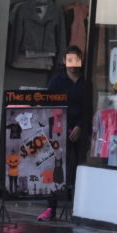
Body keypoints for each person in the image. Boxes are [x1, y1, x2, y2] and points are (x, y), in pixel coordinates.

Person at [40, 45, 91, 220]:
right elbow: (48, 105)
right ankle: (51, 207)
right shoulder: (57, 81)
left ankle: (77, 207)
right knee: (55, 167)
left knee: (78, 168)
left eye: (77, 60)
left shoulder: (86, 83)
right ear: (64, 61)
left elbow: (89, 108)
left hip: (79, 130)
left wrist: (80, 126)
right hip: (58, 128)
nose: (73, 64)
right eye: (70, 60)